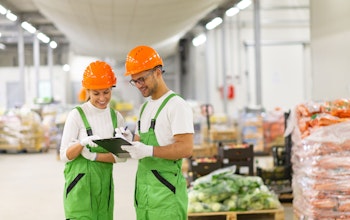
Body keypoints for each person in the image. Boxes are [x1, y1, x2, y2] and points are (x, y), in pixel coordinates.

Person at [121, 45, 194, 220]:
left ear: (157, 72)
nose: (139, 85)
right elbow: (139, 144)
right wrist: (126, 141)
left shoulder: (176, 105)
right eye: (134, 81)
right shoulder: (145, 107)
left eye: (142, 79)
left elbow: (186, 148)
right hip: (144, 193)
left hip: (166, 195)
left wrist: (149, 150)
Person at [60, 60, 131, 220]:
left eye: (106, 92)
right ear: (88, 91)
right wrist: (81, 143)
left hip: (104, 185)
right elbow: (64, 155)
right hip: (80, 184)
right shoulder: (77, 115)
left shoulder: (116, 117)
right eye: (96, 93)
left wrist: (95, 156)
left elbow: (121, 158)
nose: (102, 98)